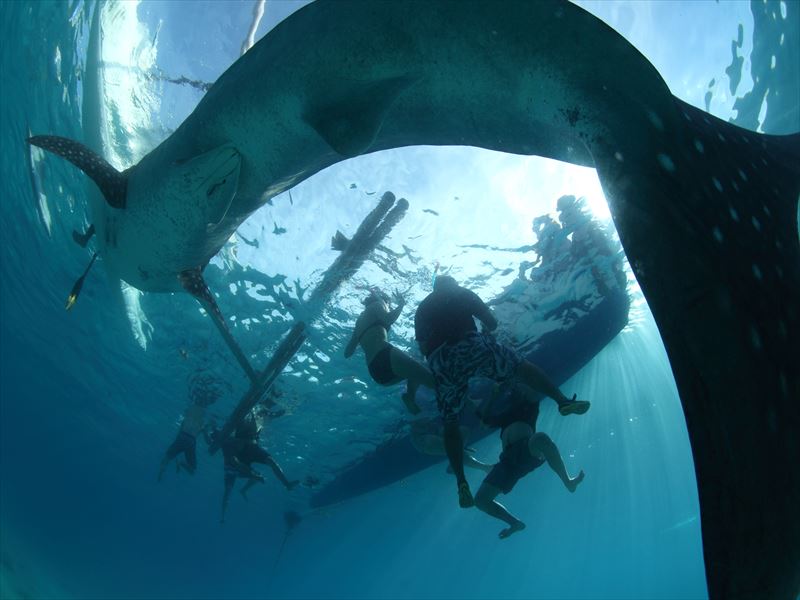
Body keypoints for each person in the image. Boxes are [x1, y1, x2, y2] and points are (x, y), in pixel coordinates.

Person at [414, 274, 589, 508]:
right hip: (473, 346)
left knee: (451, 423)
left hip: (442, 362)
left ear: (434, 287)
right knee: (521, 368)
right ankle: (562, 400)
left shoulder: (422, 308)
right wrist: (485, 337)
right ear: (452, 283)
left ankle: (461, 480)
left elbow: (424, 348)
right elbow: (492, 323)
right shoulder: (462, 292)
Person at [474, 384, 584, 538]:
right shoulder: (504, 415)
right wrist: (493, 396)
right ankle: (514, 523)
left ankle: (568, 481)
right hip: (506, 462)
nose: (516, 393)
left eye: (518, 390)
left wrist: (519, 381)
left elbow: (534, 389)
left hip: (526, 450)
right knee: (480, 501)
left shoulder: (529, 406)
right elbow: (483, 421)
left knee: (541, 438)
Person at [345, 288, 435, 414]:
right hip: (384, 355)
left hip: (376, 372)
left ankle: (410, 397)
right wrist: (402, 304)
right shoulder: (379, 303)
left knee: (415, 368)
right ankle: (464, 402)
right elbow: (388, 319)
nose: (388, 306)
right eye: (388, 304)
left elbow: (347, 353)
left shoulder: (359, 322)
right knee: (433, 382)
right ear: (385, 300)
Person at [210, 406, 299, 523]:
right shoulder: (243, 416)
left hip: (253, 448)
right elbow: (228, 432)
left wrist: (281, 413)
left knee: (271, 462)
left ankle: (286, 483)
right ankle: (223, 514)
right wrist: (214, 425)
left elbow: (273, 415)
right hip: (241, 450)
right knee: (237, 480)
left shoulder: (263, 414)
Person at [158, 382, 219, 482]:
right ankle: (182, 463)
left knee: (166, 458)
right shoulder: (205, 416)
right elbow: (207, 440)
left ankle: (160, 473)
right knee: (192, 470)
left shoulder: (189, 410)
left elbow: (180, 428)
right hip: (191, 441)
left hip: (182, 436)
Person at [409, 416, 493, 473]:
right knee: (451, 448)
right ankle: (485, 467)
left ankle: (455, 462)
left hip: (435, 427)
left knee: (464, 430)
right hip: (421, 438)